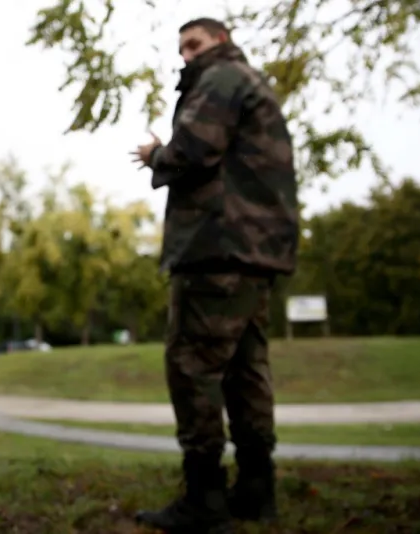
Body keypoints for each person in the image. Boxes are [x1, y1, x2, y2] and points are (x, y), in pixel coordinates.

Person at [129, 17, 299, 533]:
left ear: (220, 42)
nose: (186, 55)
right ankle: (255, 489)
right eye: (181, 47)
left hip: (216, 246)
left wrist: (155, 154)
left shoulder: (222, 78)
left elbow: (194, 148)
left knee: (192, 365)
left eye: (194, 44)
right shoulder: (253, 83)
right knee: (248, 371)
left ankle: (204, 497)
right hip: (253, 253)